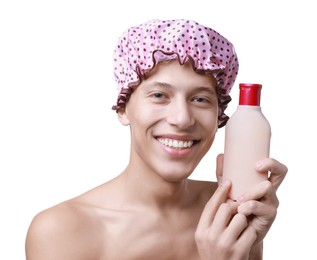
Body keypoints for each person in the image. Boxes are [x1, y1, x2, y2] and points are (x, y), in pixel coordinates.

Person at [25, 19, 287, 259]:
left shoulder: (230, 212)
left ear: (219, 115)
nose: (182, 119)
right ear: (123, 108)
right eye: (159, 96)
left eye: (200, 99)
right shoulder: (61, 231)